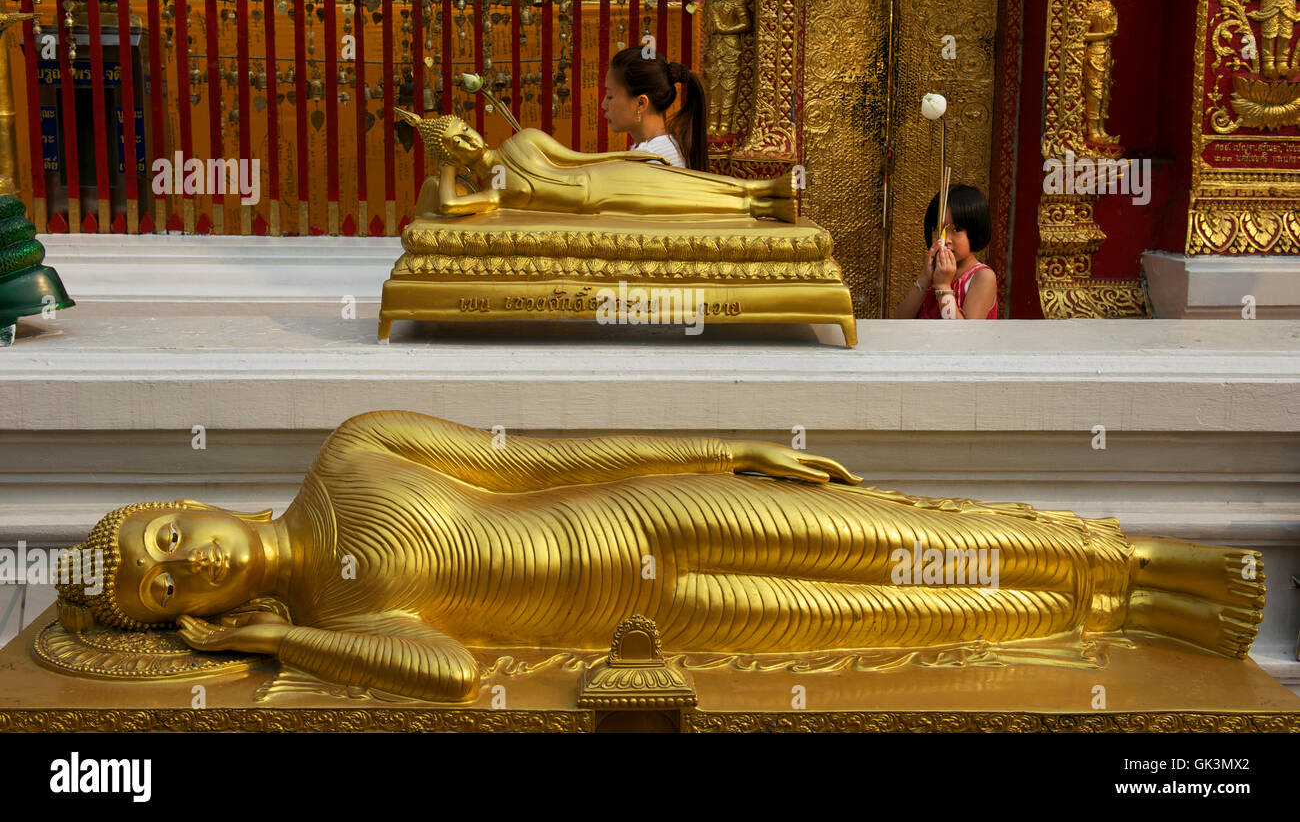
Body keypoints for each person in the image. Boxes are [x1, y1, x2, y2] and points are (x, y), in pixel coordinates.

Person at [55, 411, 1265, 702]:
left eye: (165, 539)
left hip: (655, 516)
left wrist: (721, 445)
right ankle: (1129, 613)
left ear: (184, 499)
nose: (183, 565)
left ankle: (1138, 557)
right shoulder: (334, 611)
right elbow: (454, 679)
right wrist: (277, 635)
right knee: (905, 612)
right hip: (652, 624)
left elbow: (536, 459)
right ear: (180, 618)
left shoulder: (356, 449)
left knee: (911, 542)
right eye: (162, 591)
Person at [396, 110, 796, 222]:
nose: (469, 140)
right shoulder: (493, 194)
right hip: (598, 202)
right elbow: (448, 207)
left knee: (685, 183)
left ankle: (763, 187)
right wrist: (445, 165)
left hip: (602, 176)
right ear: (452, 154)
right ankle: (760, 206)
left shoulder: (524, 140)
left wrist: (630, 156)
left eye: (465, 129)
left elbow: (580, 158)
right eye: (457, 144)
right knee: (678, 205)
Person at [893, 184, 998, 320]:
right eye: (937, 229)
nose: (945, 239)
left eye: (956, 229)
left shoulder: (982, 277)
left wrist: (943, 286)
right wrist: (925, 278)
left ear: (975, 230)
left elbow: (964, 335)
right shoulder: (934, 273)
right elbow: (899, 320)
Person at [601, 46, 708, 171]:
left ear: (641, 103)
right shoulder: (671, 145)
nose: (603, 105)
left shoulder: (648, 160)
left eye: (609, 96)